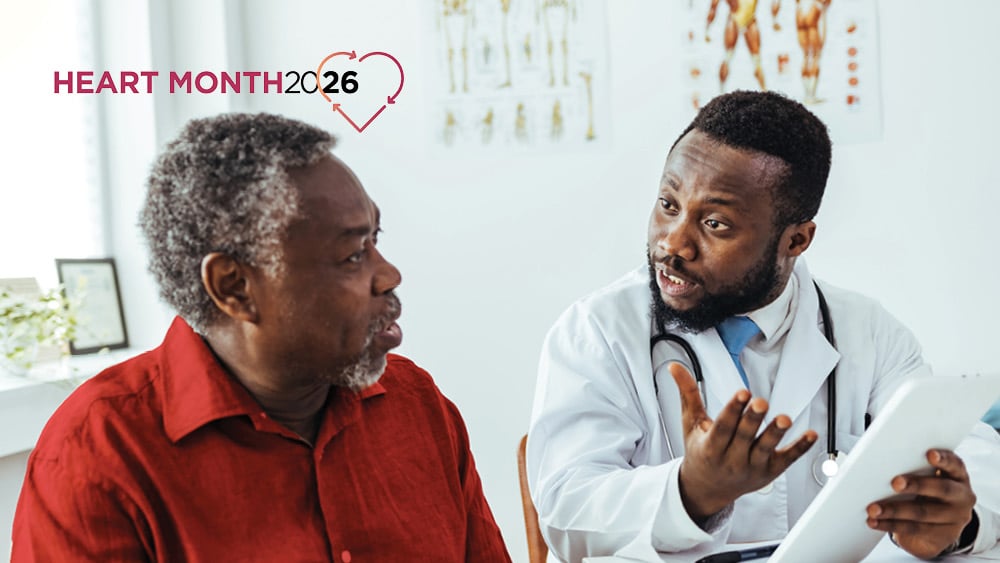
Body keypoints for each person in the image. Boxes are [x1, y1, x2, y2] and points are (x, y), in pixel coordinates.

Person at [13, 113, 512, 562]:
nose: (389, 276)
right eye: (352, 255)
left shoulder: (418, 405)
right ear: (234, 288)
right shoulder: (97, 454)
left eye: (375, 241)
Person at [527, 91, 1000, 562]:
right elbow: (567, 510)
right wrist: (691, 491)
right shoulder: (597, 330)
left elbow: (976, 461)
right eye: (669, 205)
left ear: (796, 239)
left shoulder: (869, 334)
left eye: (714, 223)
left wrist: (960, 523)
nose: (674, 243)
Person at [706, 0, 767, 91]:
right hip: (734, 18)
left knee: (757, 60)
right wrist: (707, 29)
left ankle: (764, 91)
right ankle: (721, 91)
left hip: (750, 19)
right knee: (728, 56)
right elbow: (714, 6)